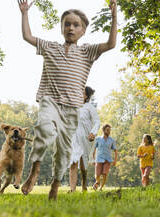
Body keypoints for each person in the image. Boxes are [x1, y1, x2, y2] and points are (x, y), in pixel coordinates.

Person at [17, 0, 117, 200]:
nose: (71, 28)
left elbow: (110, 44)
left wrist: (114, 17)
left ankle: (55, 183)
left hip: (72, 109)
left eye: (76, 25)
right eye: (67, 24)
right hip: (50, 101)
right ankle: (34, 171)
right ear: (62, 28)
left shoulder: (87, 52)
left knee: (63, 152)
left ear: (83, 31)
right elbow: (27, 36)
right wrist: (25, 13)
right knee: (44, 129)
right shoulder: (50, 47)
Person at [68, 86, 100, 193]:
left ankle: (84, 184)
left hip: (86, 138)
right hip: (74, 138)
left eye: (81, 93)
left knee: (83, 165)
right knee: (73, 161)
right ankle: (72, 189)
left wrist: (93, 133)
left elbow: (97, 122)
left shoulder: (89, 107)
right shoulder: (73, 107)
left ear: (86, 96)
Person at [92, 124, 118, 191]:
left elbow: (115, 151)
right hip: (99, 159)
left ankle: (100, 188)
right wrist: (93, 159)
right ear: (103, 130)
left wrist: (115, 160)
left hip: (108, 159)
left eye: (109, 130)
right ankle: (97, 182)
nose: (109, 131)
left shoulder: (112, 140)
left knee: (104, 174)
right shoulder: (98, 139)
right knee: (97, 174)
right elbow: (93, 149)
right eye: (107, 130)